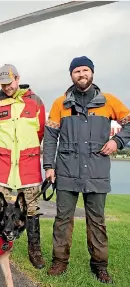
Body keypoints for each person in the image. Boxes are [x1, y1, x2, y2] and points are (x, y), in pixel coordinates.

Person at [43, 56, 130, 284]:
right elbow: (51, 138)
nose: (81, 74)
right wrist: (49, 166)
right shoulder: (59, 103)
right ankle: (59, 262)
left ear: (92, 73)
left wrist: (118, 141)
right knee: (62, 219)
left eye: (85, 70)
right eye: (77, 71)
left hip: (97, 171)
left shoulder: (108, 101)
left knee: (97, 220)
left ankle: (100, 266)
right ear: (71, 75)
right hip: (66, 171)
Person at [0, 64, 46, 269]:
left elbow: (40, 132)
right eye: (2, 84)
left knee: (31, 209)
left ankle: (35, 251)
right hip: (2, 165)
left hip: (28, 165)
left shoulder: (36, 101)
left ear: (18, 78)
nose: (6, 87)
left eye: (9, 83)